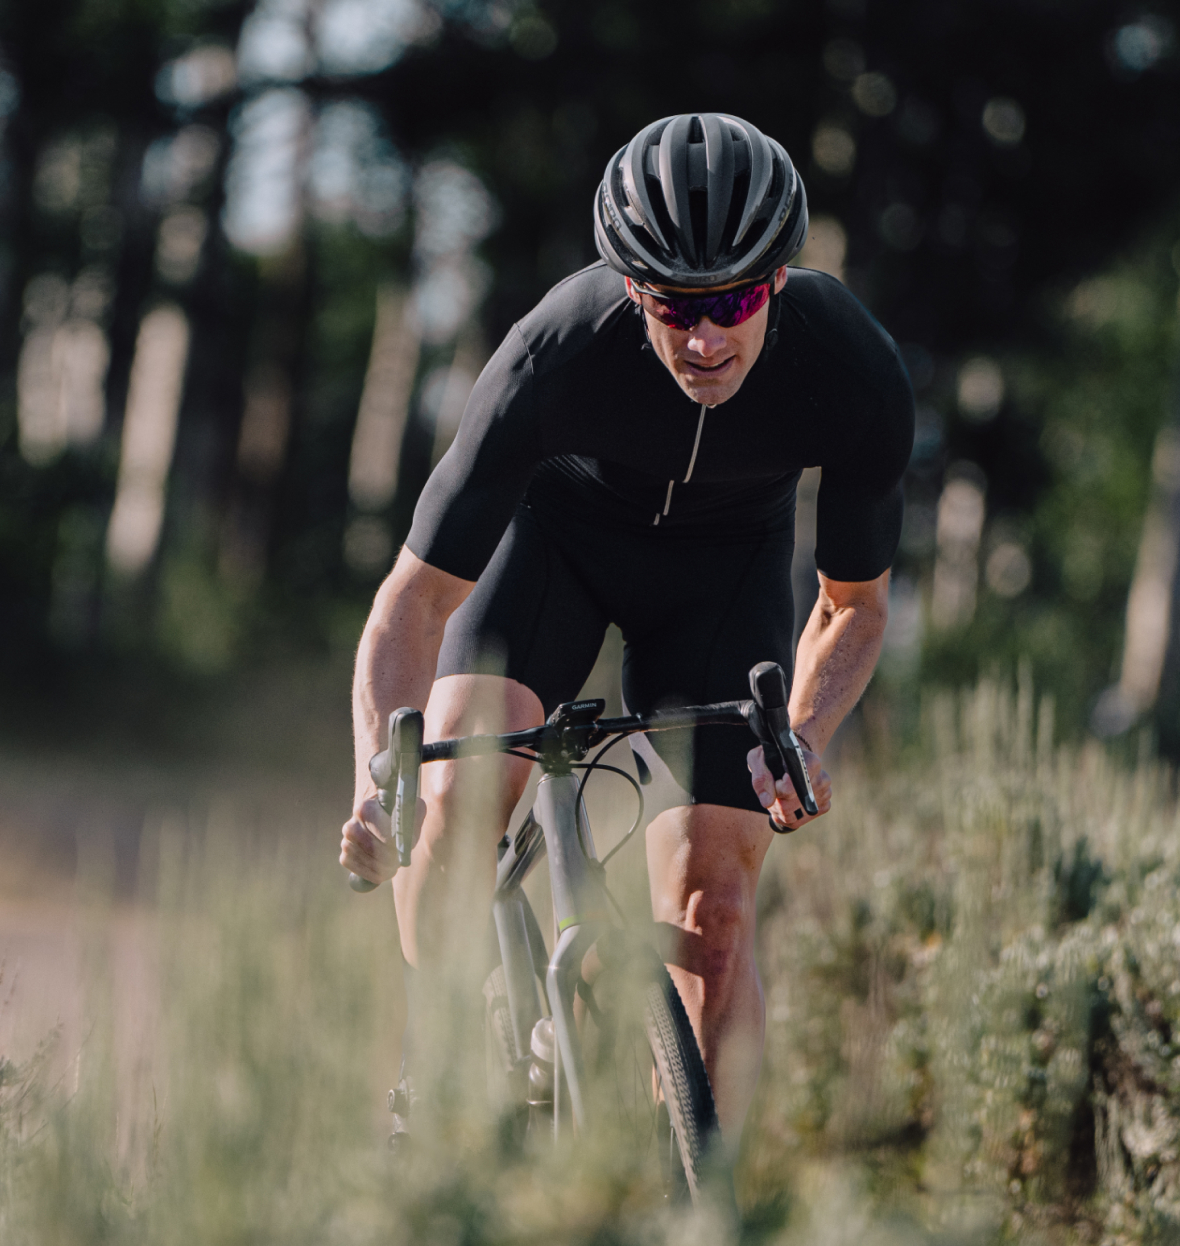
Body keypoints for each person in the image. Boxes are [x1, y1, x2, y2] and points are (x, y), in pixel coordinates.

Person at [337, 112, 914, 1136]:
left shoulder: (852, 370)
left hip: (724, 578)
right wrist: (375, 779)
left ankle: (700, 1198)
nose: (704, 336)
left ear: (775, 281)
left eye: (733, 300)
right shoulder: (551, 356)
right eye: (673, 304)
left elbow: (854, 608)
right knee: (460, 801)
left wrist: (809, 736)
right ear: (632, 290)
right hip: (555, 548)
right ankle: (433, 1057)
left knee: (718, 915)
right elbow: (414, 602)